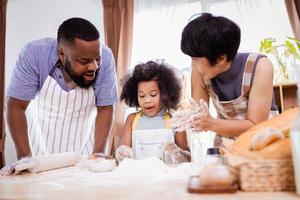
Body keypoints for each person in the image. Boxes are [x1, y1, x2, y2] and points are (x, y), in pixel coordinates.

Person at [1, 17, 118, 174]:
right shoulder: (34, 54)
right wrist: (24, 156)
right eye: (84, 61)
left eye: (97, 59)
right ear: (61, 54)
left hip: (85, 147)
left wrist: (97, 153)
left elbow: (105, 108)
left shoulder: (107, 57)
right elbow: (16, 105)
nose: (94, 66)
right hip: (39, 145)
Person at [177, 13, 278, 146]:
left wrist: (211, 123)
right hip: (225, 142)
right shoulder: (199, 68)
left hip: (262, 141)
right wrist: (187, 120)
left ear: (221, 58)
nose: (193, 65)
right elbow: (199, 113)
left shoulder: (261, 67)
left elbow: (255, 125)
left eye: (196, 59)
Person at [115, 61, 190, 163]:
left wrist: (179, 153)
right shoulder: (132, 119)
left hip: (167, 177)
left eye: (153, 95)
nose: (147, 100)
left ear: (165, 94)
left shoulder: (175, 120)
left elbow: (188, 158)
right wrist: (121, 153)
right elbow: (124, 152)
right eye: (141, 95)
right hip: (138, 177)